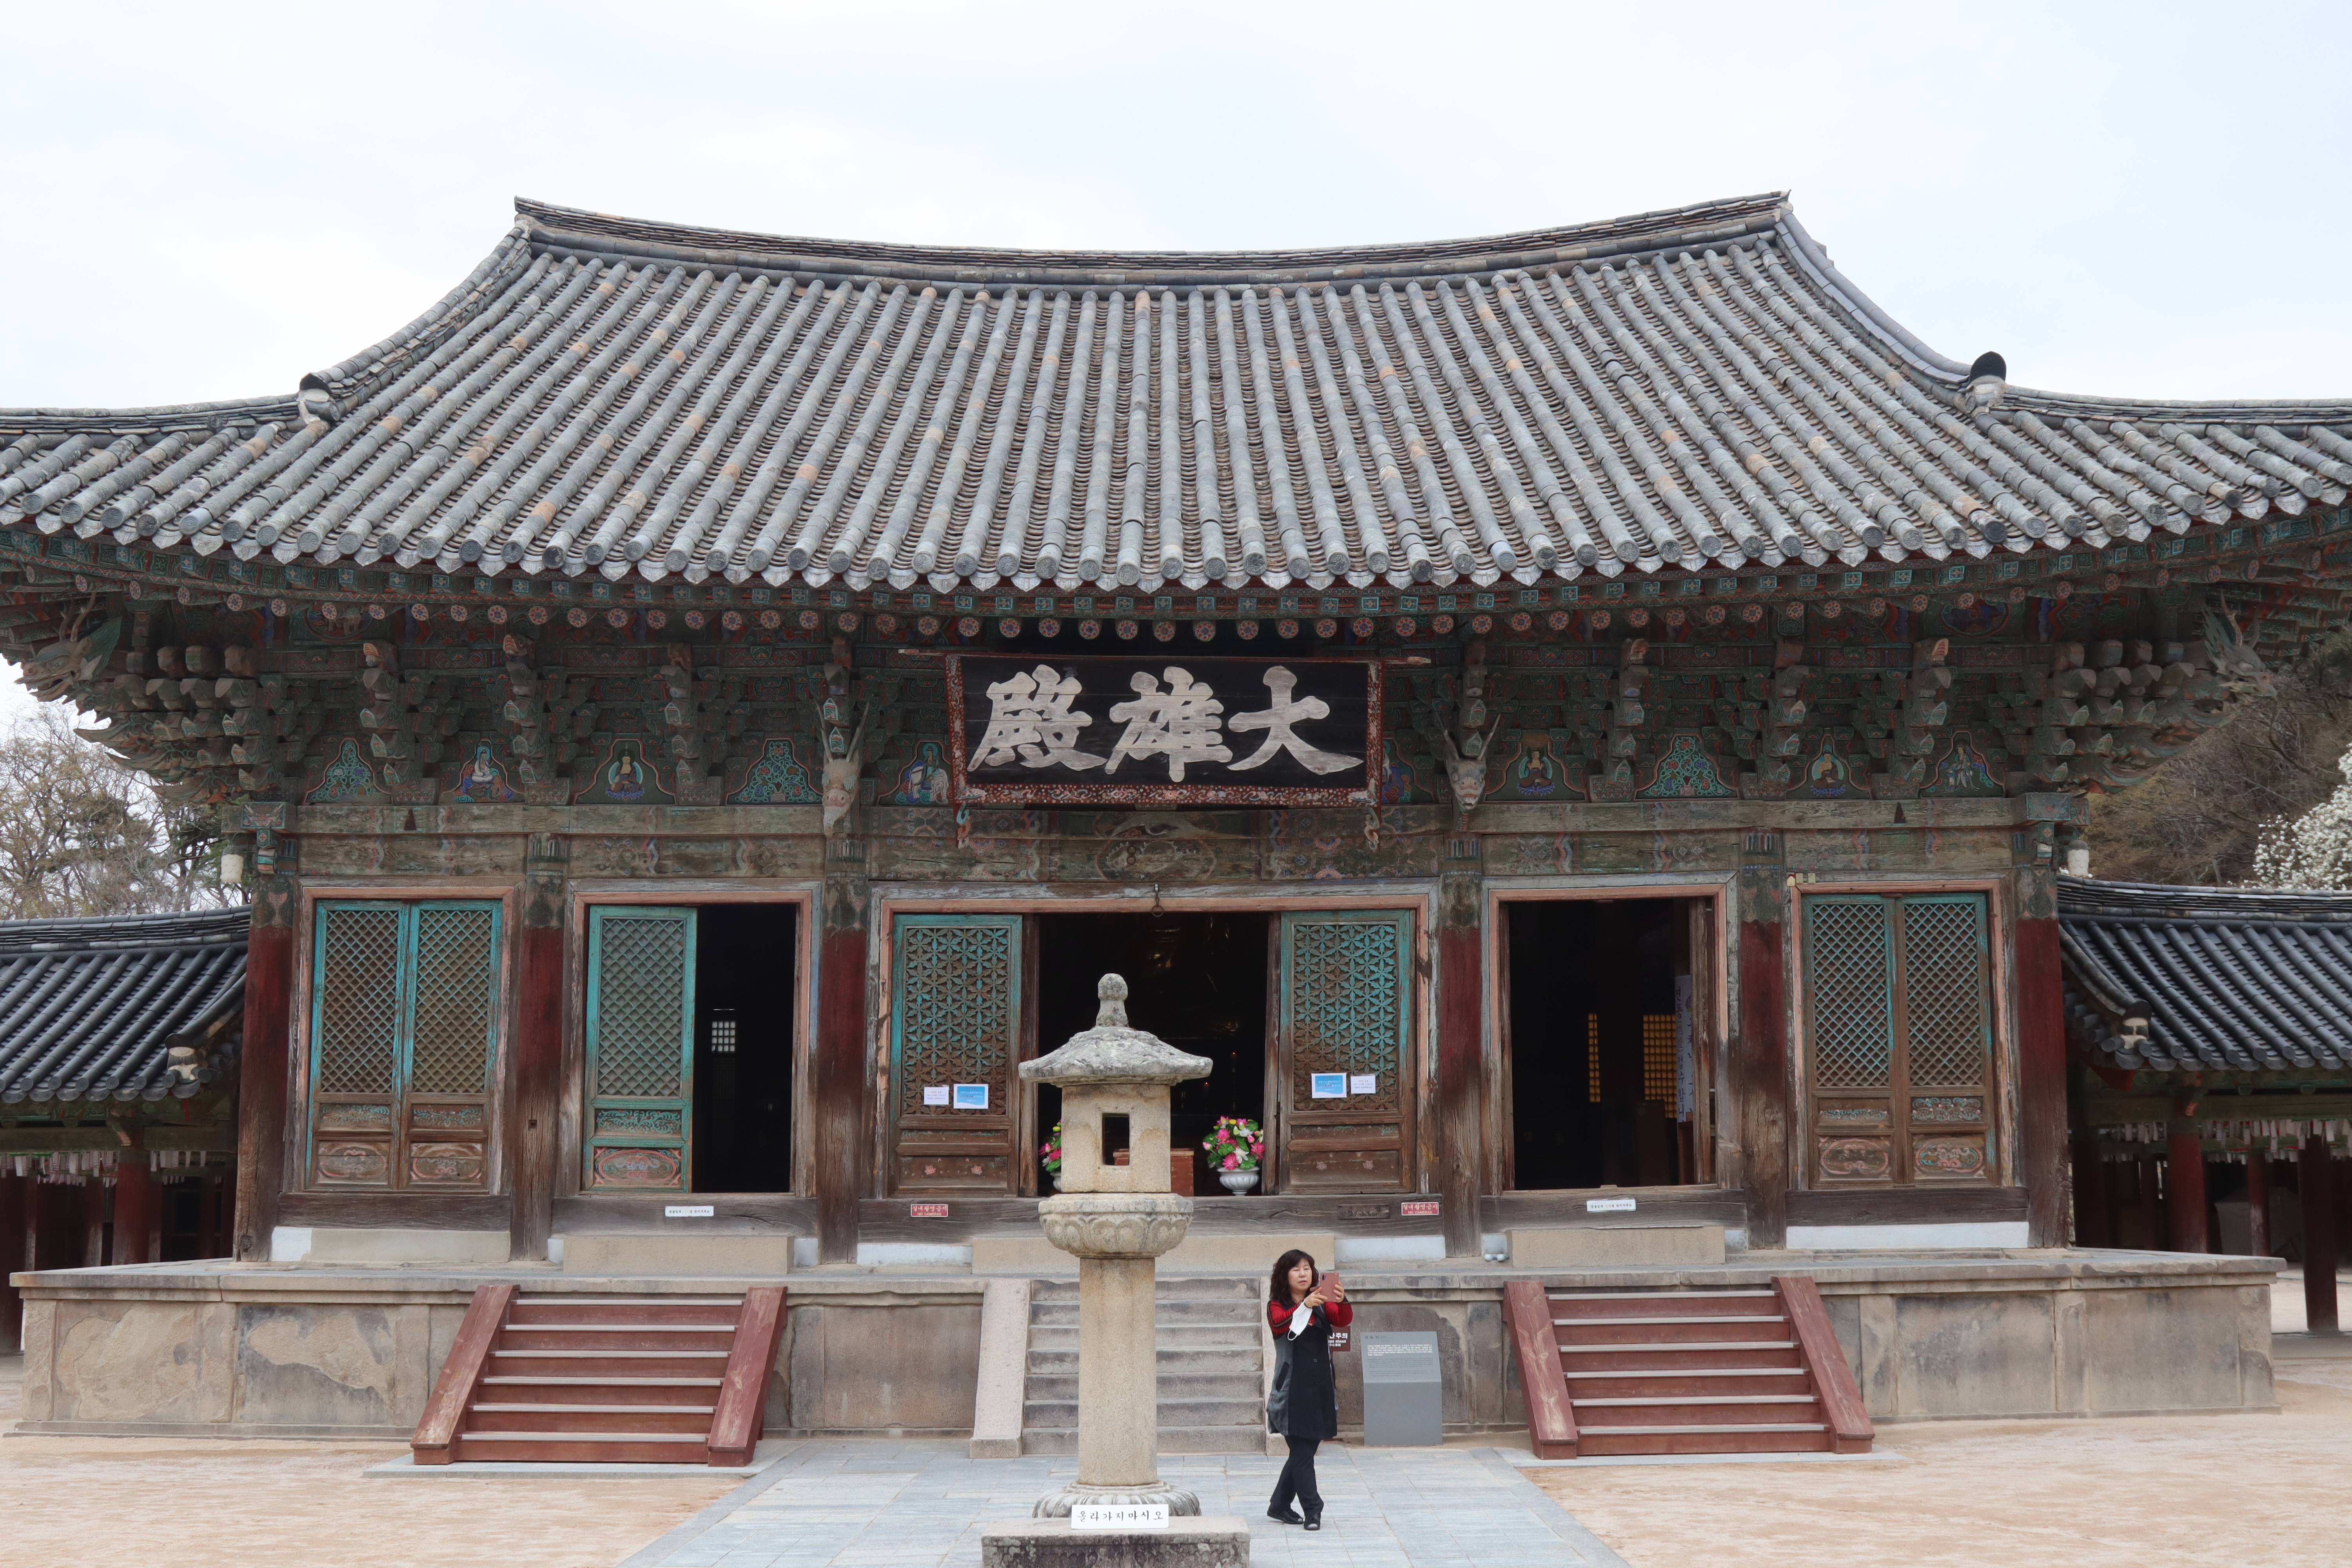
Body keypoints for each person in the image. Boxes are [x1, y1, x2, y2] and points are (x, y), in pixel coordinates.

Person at [1265, 1247, 1352, 1530]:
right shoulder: (1277, 1305)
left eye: (1307, 1268)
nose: (1303, 1274)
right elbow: (1279, 1325)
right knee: (1303, 1454)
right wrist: (1304, 1306)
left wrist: (1342, 1300)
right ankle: (1314, 1510)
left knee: (1302, 1453)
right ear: (1285, 1275)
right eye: (1296, 1269)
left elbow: (1342, 1319)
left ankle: (1280, 1504)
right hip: (1292, 1391)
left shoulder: (1321, 1301)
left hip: (1321, 1387)